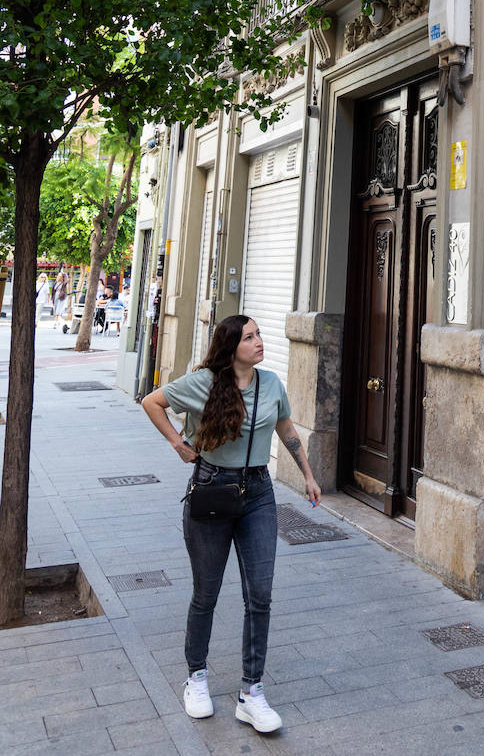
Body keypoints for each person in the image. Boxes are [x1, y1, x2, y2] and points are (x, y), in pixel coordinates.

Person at [141, 314, 320, 733]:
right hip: (211, 490)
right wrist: (179, 445)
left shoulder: (271, 383)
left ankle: (251, 692)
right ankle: (197, 678)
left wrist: (309, 475)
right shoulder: (202, 382)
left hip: (258, 493)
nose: (259, 342)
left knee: (260, 595)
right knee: (206, 593)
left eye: (259, 335)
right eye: (250, 337)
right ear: (231, 347)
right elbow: (152, 402)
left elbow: (287, 430)